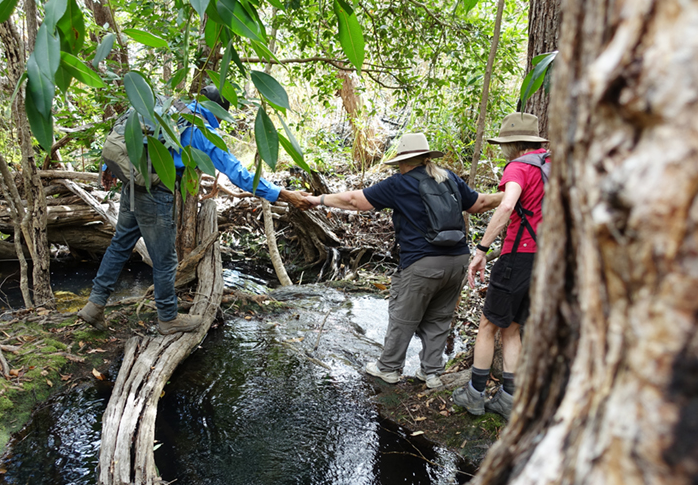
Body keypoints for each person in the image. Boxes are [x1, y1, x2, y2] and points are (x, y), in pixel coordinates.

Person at [78, 86, 309, 335]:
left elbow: (128, 132)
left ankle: (95, 305)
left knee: (120, 245)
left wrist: (106, 165)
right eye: (221, 115)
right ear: (217, 112)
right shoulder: (199, 131)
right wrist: (283, 194)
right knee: (166, 261)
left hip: (133, 185)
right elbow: (237, 173)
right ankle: (167, 318)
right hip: (155, 193)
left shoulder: (168, 110)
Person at [297, 132, 501, 389]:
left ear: (403, 161)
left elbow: (354, 201)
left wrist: (318, 199)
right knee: (439, 318)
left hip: (422, 263)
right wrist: (511, 195)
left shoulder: (400, 183)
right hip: (458, 260)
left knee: (403, 316)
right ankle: (432, 372)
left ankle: (389, 368)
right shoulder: (449, 178)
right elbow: (480, 203)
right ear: (426, 157)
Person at [452, 112, 548, 419]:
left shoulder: (518, 166)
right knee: (513, 327)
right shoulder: (551, 165)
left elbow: (508, 205)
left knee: (488, 325)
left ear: (514, 144)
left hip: (517, 256)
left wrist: (481, 249)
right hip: (545, 257)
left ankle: (475, 394)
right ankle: (509, 398)